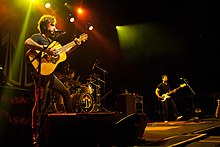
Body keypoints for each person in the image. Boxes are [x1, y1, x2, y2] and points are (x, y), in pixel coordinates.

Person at [24, 14, 87, 145]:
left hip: (50, 75)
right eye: (52, 24)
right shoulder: (38, 37)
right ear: (45, 26)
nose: (54, 27)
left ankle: (71, 122)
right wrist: (45, 49)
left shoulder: (53, 43)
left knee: (66, 93)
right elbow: (27, 43)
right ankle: (35, 131)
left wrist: (76, 44)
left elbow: (65, 53)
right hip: (41, 75)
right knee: (41, 103)